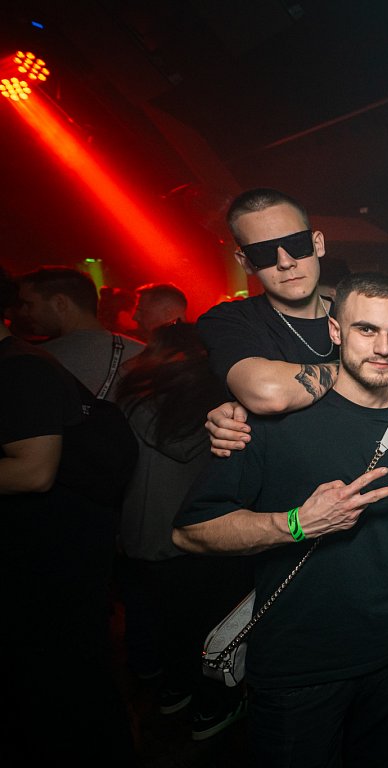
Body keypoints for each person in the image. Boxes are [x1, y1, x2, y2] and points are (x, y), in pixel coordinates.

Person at [173, 273, 388, 767]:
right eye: (366, 330)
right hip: (298, 670)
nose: (383, 347)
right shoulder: (273, 421)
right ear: (335, 331)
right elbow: (189, 532)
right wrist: (296, 524)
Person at [0, 265, 139, 764]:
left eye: (32, 303)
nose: (26, 312)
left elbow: (34, 470)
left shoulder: (24, 367)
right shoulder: (35, 360)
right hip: (72, 544)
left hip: (53, 558)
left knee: (67, 683)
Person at [114, 321, 253, 738]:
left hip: (145, 536)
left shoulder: (132, 399)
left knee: (169, 623)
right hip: (199, 536)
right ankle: (215, 705)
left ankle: (176, 689)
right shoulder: (216, 406)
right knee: (213, 627)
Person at [198, 187, 339, 423]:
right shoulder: (228, 320)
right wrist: (361, 369)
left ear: (318, 244)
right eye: (263, 252)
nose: (285, 262)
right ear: (246, 262)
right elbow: (268, 393)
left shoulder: (358, 315)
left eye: (296, 244)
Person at [16, 266, 145, 400]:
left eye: (29, 304)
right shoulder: (140, 353)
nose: (22, 312)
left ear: (60, 303)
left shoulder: (33, 358)